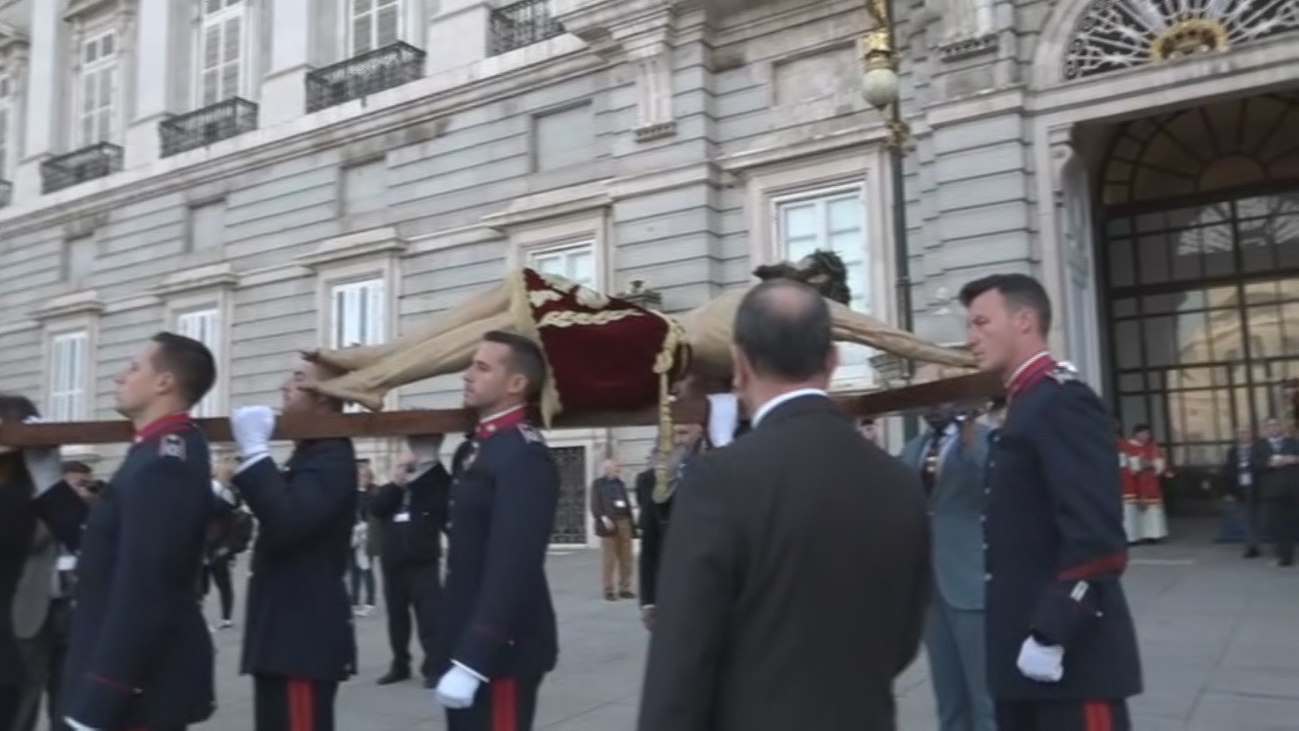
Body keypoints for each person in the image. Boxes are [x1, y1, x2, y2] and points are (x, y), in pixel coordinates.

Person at [637, 279, 931, 731]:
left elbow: (681, 658)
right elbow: (904, 638)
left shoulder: (719, 479)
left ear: (739, 364)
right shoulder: (898, 480)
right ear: (832, 361)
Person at [960, 273, 1141, 731]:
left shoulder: (1063, 401)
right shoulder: (1025, 402)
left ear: (1024, 320)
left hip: (1071, 658)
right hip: (1020, 651)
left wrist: (1052, 632)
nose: (970, 338)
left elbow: (1097, 539)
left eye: (981, 322)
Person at [60, 332, 219, 731]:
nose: (120, 377)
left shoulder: (164, 461)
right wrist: (45, 474)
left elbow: (146, 586)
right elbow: (105, 546)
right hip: (135, 680)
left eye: (133, 368)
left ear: (164, 382)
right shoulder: (159, 449)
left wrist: (100, 698)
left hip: (137, 691)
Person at [433, 331, 560, 731]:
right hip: (466, 636)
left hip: (502, 650)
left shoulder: (524, 455)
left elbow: (514, 564)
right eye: (471, 365)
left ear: (516, 384)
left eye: (482, 367)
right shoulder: (477, 446)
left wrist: (475, 659)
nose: (467, 375)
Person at [228, 357, 359, 731]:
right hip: (286, 635)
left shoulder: (331, 454)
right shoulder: (310, 452)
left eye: (299, 379)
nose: (285, 386)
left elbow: (288, 520)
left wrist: (255, 451)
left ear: (325, 397)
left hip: (302, 640)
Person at [899, 402, 995, 731]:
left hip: (970, 580)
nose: (931, 407)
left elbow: (988, 476)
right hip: (929, 585)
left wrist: (969, 430)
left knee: (985, 695)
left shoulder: (984, 439)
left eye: (938, 397)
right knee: (948, 695)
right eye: (923, 399)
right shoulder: (913, 448)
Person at [13, 459, 88, 731]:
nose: (78, 490)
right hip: (32, 615)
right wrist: (57, 509)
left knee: (68, 698)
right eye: (73, 484)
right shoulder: (26, 506)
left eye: (82, 484)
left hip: (74, 613)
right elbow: (30, 541)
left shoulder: (87, 513)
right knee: (24, 699)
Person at [369, 447, 450, 688]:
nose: (407, 472)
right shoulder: (388, 491)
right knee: (397, 617)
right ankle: (400, 664)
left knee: (430, 617)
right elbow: (376, 509)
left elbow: (441, 502)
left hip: (422, 562)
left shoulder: (426, 490)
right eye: (403, 466)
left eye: (411, 467)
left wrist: (420, 477)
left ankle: (434, 666)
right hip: (393, 564)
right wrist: (397, 483)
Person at [1250, 417, 1299, 567]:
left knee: (1291, 523)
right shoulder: (1259, 445)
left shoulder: (1292, 442)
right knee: (1276, 525)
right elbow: (1255, 464)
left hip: (1292, 489)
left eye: (1276, 425)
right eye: (1270, 426)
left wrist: (1294, 459)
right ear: (1266, 429)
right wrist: (1270, 463)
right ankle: (1283, 554)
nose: (1274, 428)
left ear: (1281, 427)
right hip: (1271, 491)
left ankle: (1287, 555)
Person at [590, 458, 635, 601]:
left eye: (618, 467)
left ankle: (625, 588)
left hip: (624, 522)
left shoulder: (620, 483)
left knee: (626, 557)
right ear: (606, 469)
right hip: (609, 523)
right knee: (609, 559)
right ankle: (608, 589)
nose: (618, 469)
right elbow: (595, 504)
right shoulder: (598, 484)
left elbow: (626, 503)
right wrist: (603, 518)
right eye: (616, 467)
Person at [1119, 424, 1170, 544]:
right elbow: (1123, 464)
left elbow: (1160, 463)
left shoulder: (1152, 447)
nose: (1146, 436)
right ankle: (1132, 537)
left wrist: (1152, 464)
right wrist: (1137, 463)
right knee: (1131, 511)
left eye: (1148, 433)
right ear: (1136, 434)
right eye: (1143, 433)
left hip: (1149, 482)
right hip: (1131, 483)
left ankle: (1153, 535)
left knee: (1152, 510)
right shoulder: (1126, 447)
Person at [1222, 427, 1261, 557]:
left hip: (1257, 486)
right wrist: (1229, 491)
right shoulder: (1233, 451)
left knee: (1259, 517)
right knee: (1246, 518)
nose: (1244, 435)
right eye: (1241, 433)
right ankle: (1252, 546)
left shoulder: (1259, 448)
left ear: (1252, 434)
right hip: (1240, 488)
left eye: (1246, 432)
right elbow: (1228, 471)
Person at [350, 459, 379, 617]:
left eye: (364, 475)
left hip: (367, 535)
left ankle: (370, 601)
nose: (361, 478)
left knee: (366, 568)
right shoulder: (351, 492)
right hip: (352, 535)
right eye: (359, 475)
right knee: (353, 570)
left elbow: (374, 514)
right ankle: (354, 600)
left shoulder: (373, 492)